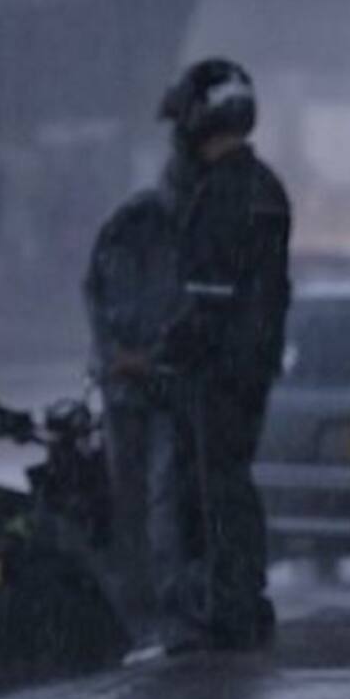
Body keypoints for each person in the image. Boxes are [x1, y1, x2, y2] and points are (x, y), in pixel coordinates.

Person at [152, 57, 291, 653]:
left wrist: (160, 353)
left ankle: (221, 608)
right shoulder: (263, 186)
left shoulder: (222, 192)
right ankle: (242, 600)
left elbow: (209, 296)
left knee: (207, 491)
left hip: (216, 371)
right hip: (249, 364)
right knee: (231, 485)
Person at [83, 189, 181, 641]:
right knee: (157, 496)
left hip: (126, 387)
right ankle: (154, 596)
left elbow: (97, 306)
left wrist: (114, 358)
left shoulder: (116, 240)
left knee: (133, 496)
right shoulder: (173, 239)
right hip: (154, 387)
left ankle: (137, 596)